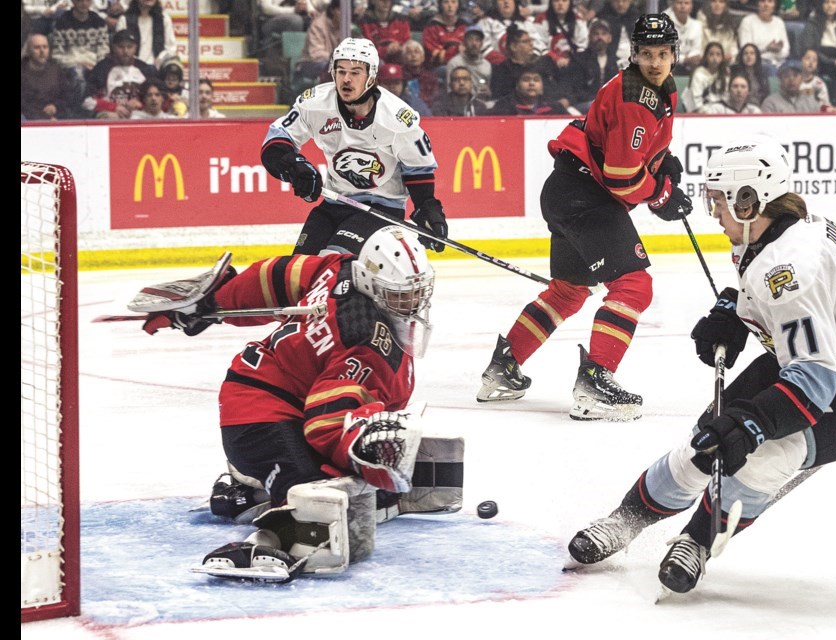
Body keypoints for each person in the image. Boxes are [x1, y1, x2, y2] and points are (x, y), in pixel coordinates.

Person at [564, 135, 836, 596]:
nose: (714, 213)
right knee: (707, 443)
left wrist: (754, 423)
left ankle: (696, 542)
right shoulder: (778, 230)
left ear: (750, 200)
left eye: (720, 201)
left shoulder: (789, 267)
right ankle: (624, 521)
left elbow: (814, 382)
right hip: (830, 358)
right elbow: (798, 312)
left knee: (763, 458)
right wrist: (737, 312)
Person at [138, 225, 441, 578]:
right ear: (369, 281)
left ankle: (246, 494)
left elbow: (273, 276)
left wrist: (217, 302)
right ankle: (264, 539)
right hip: (257, 408)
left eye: (417, 293)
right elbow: (326, 424)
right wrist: (362, 445)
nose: (413, 305)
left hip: (290, 395)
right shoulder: (363, 343)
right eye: (400, 296)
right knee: (314, 497)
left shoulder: (337, 268)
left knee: (362, 494)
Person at [476, 14, 693, 420]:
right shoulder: (637, 97)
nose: (656, 62)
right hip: (585, 197)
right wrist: (661, 194)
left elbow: (626, 147)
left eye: (663, 54)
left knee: (568, 291)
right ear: (634, 53)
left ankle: (503, 370)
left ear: (674, 54)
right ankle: (596, 380)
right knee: (633, 286)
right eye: (647, 54)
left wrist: (662, 162)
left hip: (566, 191)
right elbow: (622, 177)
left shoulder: (656, 86)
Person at [260, 38, 449, 257]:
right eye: (341, 71)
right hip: (334, 203)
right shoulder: (316, 104)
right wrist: (294, 166)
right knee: (300, 268)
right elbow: (274, 141)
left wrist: (427, 208)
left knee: (333, 264)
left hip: (381, 211)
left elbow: (418, 169)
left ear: (371, 76)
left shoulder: (397, 118)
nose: (346, 79)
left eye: (355, 72)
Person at [82, 29, 157, 119]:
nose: (125, 51)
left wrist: (141, 103)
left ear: (135, 48)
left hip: (141, 114)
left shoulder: (145, 69)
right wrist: (113, 107)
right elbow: (86, 101)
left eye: (129, 47)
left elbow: (158, 98)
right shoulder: (102, 68)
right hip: (112, 114)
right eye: (121, 47)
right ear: (113, 48)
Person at [49, 0, 110, 105]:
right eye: (80, 0)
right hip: (70, 65)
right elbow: (57, 55)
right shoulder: (62, 22)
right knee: (79, 76)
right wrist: (78, 63)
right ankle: (78, 112)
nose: (84, 3)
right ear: (73, 1)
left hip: (94, 64)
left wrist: (97, 65)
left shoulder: (99, 22)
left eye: (87, 0)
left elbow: (103, 50)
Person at [559, 17, 620, 113]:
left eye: (603, 34)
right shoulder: (579, 59)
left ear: (609, 38)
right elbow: (575, 89)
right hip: (584, 104)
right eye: (596, 34)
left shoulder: (616, 62)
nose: (600, 37)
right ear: (590, 37)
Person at [797, 0, 836, 107]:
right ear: (821, 5)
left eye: (833, 3)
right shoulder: (813, 23)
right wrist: (831, 61)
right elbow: (809, 47)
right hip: (819, 57)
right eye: (826, 2)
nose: (830, 6)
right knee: (830, 69)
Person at [21, 32, 76, 121]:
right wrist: (44, 118)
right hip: (29, 120)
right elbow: (24, 104)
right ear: (29, 51)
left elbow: (67, 96)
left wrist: (55, 107)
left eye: (45, 47)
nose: (42, 51)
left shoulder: (56, 70)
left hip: (56, 117)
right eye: (37, 48)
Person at [115, 0, 177, 69]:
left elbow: (171, 48)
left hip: (156, 70)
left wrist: (160, 58)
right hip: (131, 70)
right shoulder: (124, 20)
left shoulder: (164, 19)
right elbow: (119, 48)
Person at [295, 0, 344, 87]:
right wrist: (336, 58)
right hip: (310, 63)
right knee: (333, 69)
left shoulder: (347, 26)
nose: (344, 15)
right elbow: (316, 54)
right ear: (332, 10)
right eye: (340, 10)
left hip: (333, 62)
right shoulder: (318, 25)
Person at [488, 64, 570, 114]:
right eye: (526, 79)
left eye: (536, 80)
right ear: (517, 85)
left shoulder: (554, 107)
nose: (531, 83)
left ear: (542, 86)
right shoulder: (503, 106)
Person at [736, 0, 789, 76]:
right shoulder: (748, 21)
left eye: (770, 1)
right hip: (756, 65)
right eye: (762, 1)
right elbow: (746, 51)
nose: (766, 5)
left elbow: (786, 51)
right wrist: (767, 49)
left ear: (774, 5)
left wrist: (777, 50)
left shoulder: (779, 22)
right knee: (770, 70)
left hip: (778, 64)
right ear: (757, 4)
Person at [445, 24, 494, 102]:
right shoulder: (454, 63)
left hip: (481, 106)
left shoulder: (487, 65)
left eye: (477, 40)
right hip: (459, 104)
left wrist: (488, 93)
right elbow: (449, 92)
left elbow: (487, 90)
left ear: (481, 44)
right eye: (470, 39)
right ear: (464, 43)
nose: (474, 43)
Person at [359, 0, 413, 65]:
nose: (386, 2)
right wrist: (386, 50)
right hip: (375, 61)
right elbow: (366, 48)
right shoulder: (364, 22)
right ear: (373, 1)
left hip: (399, 58)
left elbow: (407, 42)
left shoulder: (401, 20)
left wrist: (398, 46)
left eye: (389, 0)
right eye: (382, 0)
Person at [680, 40, 728, 113]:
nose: (715, 58)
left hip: (721, 111)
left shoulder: (725, 74)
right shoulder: (699, 74)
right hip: (701, 112)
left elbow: (727, 98)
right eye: (711, 54)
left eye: (718, 55)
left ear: (722, 58)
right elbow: (696, 101)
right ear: (706, 57)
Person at [422, 0, 468, 70]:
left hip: (464, 64)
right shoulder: (432, 26)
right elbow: (433, 55)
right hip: (439, 67)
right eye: (446, 2)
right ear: (440, 5)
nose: (450, 6)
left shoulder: (464, 25)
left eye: (453, 2)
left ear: (458, 5)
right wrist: (456, 50)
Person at [595, 0, 641, 69]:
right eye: (616, 1)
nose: (620, 4)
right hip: (609, 64)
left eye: (624, 1)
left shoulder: (638, 19)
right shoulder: (602, 18)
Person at [663, 0, 704, 76]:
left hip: (690, 66)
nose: (683, 6)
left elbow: (696, 50)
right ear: (673, 6)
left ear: (691, 7)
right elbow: (664, 52)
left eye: (686, 3)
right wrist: (684, 59)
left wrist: (689, 59)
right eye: (679, 3)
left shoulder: (697, 25)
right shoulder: (664, 24)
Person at [400, 39, 441, 109]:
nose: (413, 55)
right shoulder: (400, 76)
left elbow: (435, 99)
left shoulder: (431, 77)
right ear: (404, 58)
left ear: (423, 57)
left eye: (417, 52)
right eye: (409, 53)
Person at [696, 0, 738, 64]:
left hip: (724, 65)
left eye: (721, 2)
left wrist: (731, 58)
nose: (717, 5)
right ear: (708, 4)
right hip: (704, 64)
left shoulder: (730, 25)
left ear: (725, 5)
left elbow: (734, 50)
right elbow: (697, 49)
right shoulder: (699, 23)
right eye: (713, 1)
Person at [798, 47, 836, 111]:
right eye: (808, 58)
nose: (811, 62)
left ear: (817, 64)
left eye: (814, 60)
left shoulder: (819, 83)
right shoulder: (794, 81)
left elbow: (824, 104)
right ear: (801, 60)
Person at [729, 42, 770, 107]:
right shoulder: (735, 73)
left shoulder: (763, 74)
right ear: (741, 57)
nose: (749, 56)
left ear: (757, 56)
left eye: (752, 53)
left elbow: (766, 95)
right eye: (745, 53)